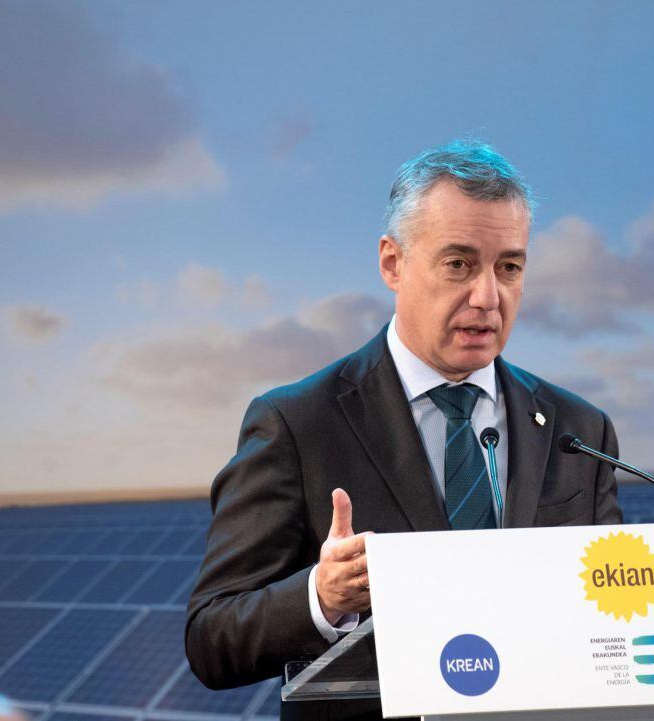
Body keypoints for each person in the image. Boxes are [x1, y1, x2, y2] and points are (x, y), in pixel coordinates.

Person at [185, 139, 623, 720]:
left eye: (509, 267)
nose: (489, 296)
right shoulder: (297, 424)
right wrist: (321, 597)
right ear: (393, 263)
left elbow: (610, 608)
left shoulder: (579, 429)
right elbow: (212, 638)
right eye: (459, 264)